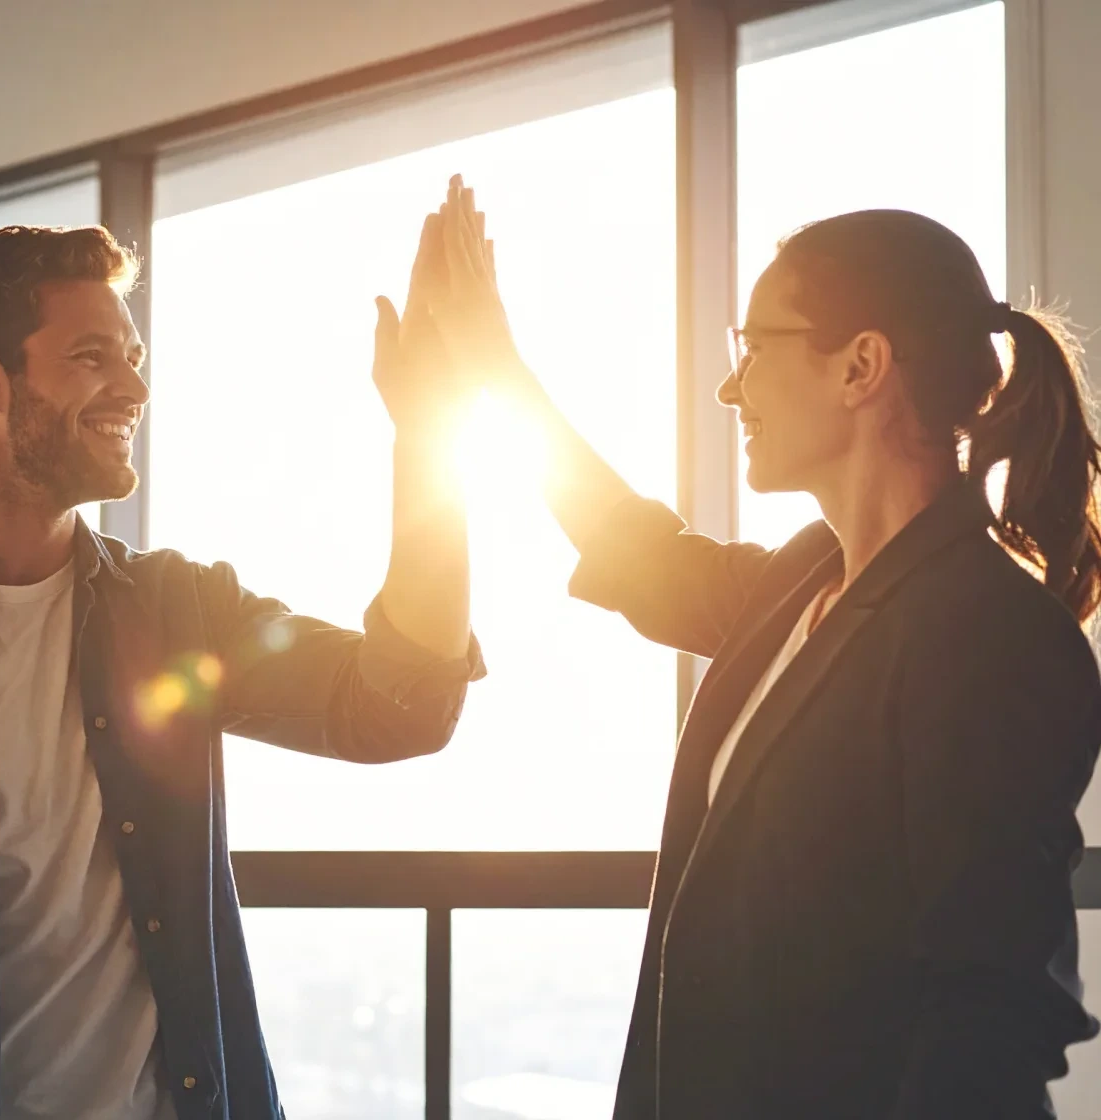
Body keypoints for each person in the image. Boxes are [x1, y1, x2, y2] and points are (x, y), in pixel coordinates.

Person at [0, 220, 483, 1120]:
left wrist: (432, 440)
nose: (136, 387)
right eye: (92, 357)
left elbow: (397, 706)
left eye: (135, 355)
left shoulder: (181, 612)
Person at [424, 176, 1101, 1118]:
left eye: (753, 347)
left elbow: (985, 1015)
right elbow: (644, 555)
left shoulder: (990, 632)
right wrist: (499, 372)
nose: (728, 385)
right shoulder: (802, 583)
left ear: (861, 366)